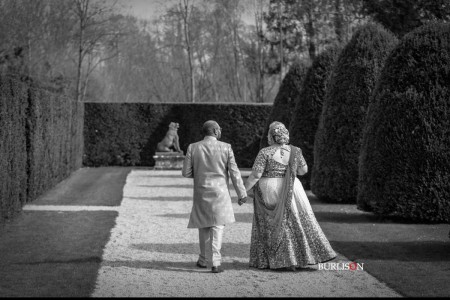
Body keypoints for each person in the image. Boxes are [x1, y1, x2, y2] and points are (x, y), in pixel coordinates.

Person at [240, 121, 336, 270]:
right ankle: (298, 258)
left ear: (271, 136)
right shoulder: (296, 151)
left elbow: (255, 175)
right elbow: (303, 171)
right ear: (285, 134)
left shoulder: (265, 152)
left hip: (269, 188)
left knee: (272, 223)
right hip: (292, 187)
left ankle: (276, 260)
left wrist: (243, 191)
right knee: (295, 221)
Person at [182, 120, 250, 273]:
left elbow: (185, 172)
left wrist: (200, 174)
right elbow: (234, 172)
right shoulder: (226, 147)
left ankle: (203, 259)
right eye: (219, 128)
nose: (221, 131)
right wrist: (242, 193)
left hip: (201, 192)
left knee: (204, 226)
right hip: (220, 193)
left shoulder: (193, 147)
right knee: (218, 226)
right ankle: (215, 262)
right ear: (214, 131)